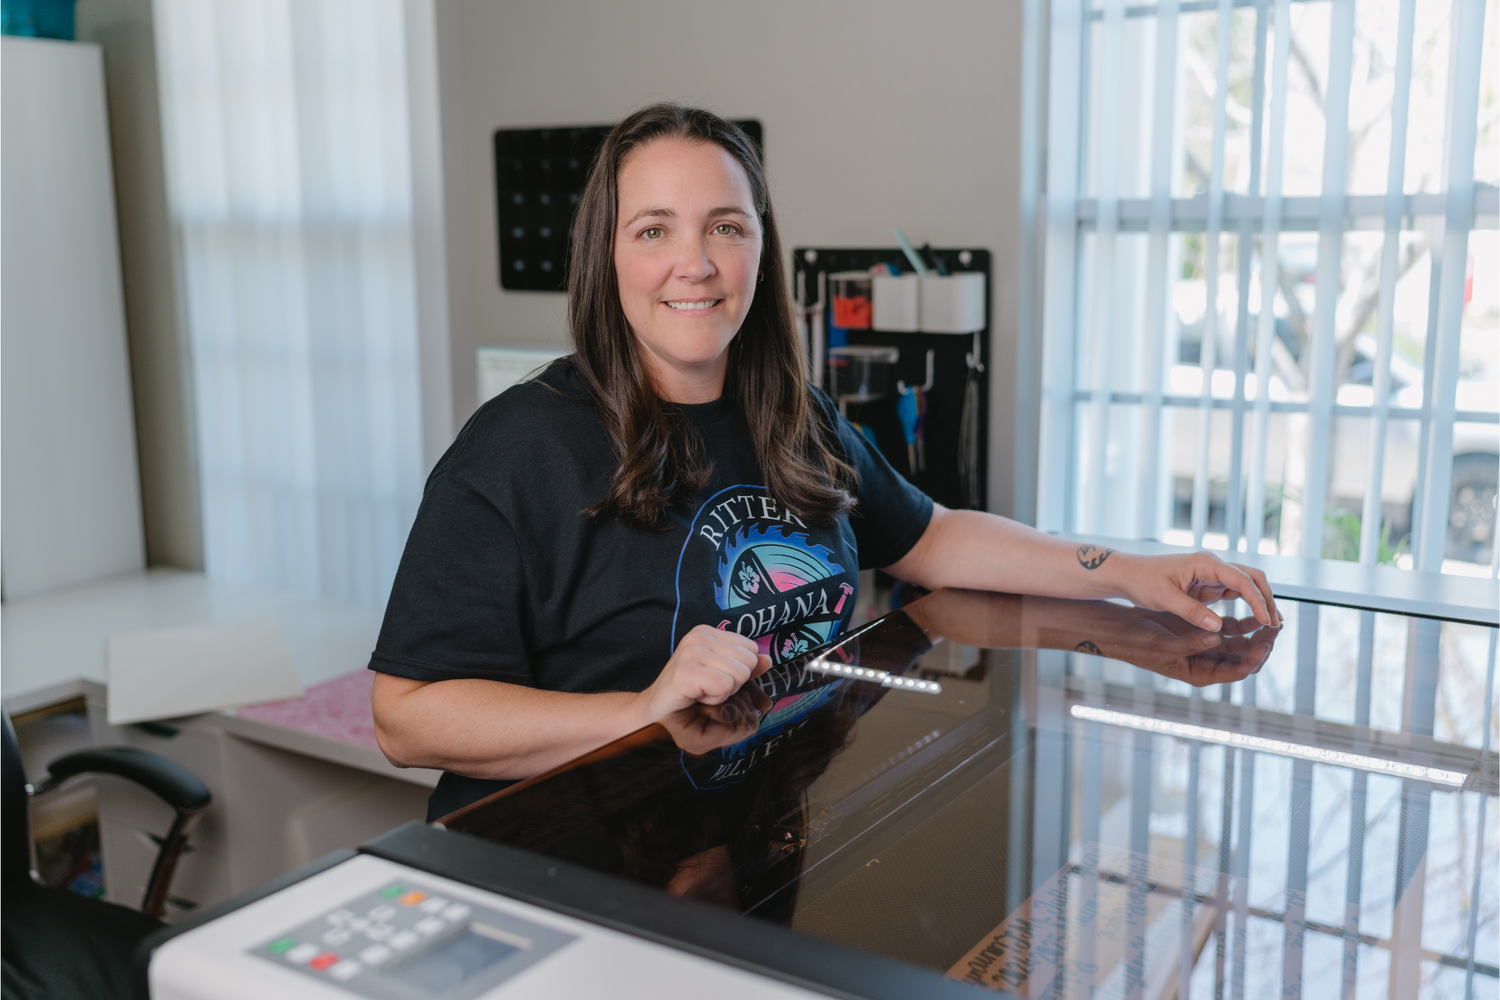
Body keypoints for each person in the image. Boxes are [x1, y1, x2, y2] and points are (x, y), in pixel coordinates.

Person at [369, 103, 1279, 820]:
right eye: (653, 231)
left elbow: (934, 539)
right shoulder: (520, 446)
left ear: (762, 250)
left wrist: (1127, 571)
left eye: (725, 227)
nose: (695, 263)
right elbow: (406, 717)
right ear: (604, 256)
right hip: (567, 877)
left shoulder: (791, 415)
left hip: (745, 849)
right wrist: (640, 711)